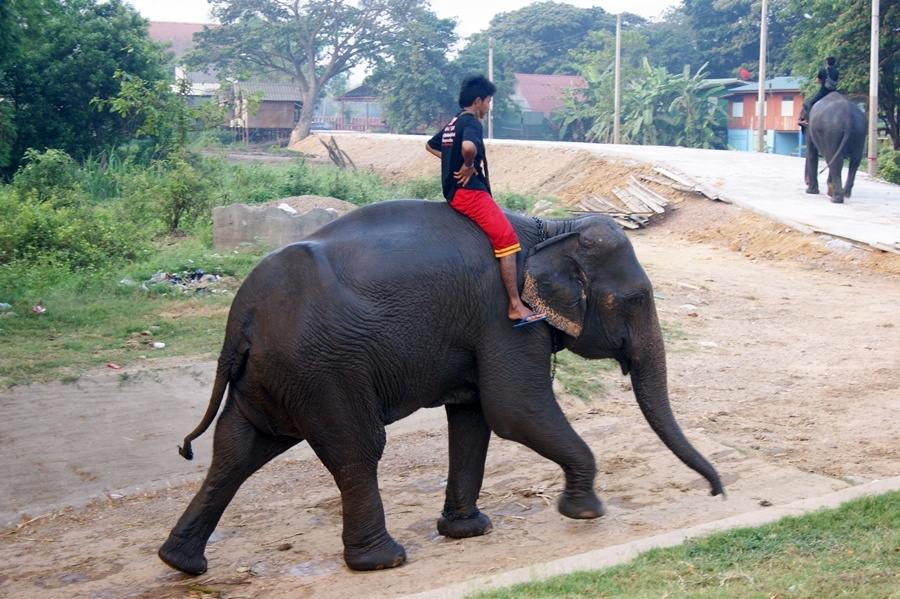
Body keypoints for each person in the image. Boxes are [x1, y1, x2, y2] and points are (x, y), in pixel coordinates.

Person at [426, 75, 546, 328]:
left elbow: (430, 145)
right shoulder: (470, 123)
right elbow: (469, 147)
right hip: (469, 193)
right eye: (489, 101)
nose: (489, 108)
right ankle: (515, 305)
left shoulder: (452, 123)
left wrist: (451, 163)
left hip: (454, 191)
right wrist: (467, 165)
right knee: (508, 240)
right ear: (479, 100)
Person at [799, 56, 839, 126]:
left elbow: (818, 81)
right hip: (833, 92)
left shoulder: (822, 70)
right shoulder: (836, 71)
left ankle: (806, 120)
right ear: (834, 63)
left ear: (827, 62)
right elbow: (836, 81)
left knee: (810, 102)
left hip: (823, 92)